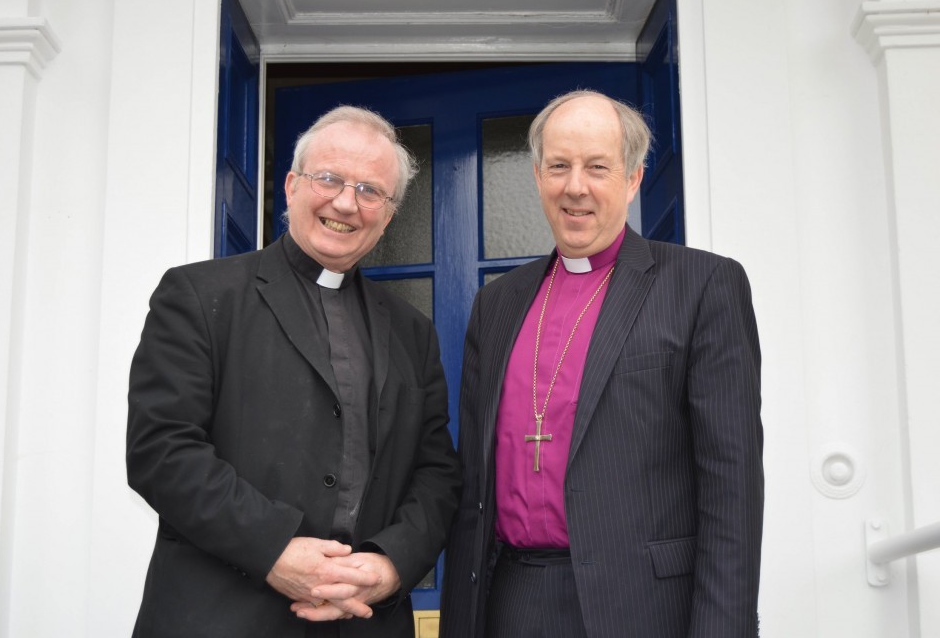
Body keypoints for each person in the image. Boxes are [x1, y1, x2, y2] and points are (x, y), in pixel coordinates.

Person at [126, 106, 462, 638]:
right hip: (220, 618)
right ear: (291, 185)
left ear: (389, 214)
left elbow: (437, 471)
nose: (346, 203)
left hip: (363, 621)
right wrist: (274, 549)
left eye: (371, 191)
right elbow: (162, 451)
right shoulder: (199, 295)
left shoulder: (411, 331)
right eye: (329, 179)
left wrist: (389, 564)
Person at [440, 90, 763, 637]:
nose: (575, 187)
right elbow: (472, 479)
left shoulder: (703, 285)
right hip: (510, 600)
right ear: (538, 175)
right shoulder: (497, 304)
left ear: (633, 178)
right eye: (559, 166)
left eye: (597, 167)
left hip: (645, 606)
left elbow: (731, 488)